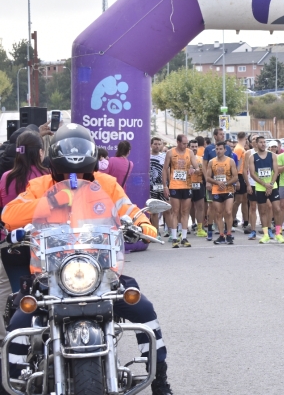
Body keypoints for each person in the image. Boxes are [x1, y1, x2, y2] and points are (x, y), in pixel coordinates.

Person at [1, 124, 173, 395]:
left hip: (100, 273)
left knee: (143, 308)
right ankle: (13, 384)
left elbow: (127, 208)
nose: (75, 177)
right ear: (55, 165)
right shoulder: (39, 186)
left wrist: (142, 223)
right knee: (19, 323)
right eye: (69, 172)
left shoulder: (106, 184)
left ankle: (161, 380)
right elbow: (10, 215)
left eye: (81, 173)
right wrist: (52, 200)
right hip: (50, 275)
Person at [0, 131, 49, 339]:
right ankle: (42, 337)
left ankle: (14, 337)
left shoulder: (6, 178)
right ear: (40, 152)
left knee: (17, 296)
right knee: (44, 295)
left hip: (13, 244)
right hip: (42, 244)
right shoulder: (46, 178)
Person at [162, 134, 201, 248]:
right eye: (183, 143)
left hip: (187, 186)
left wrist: (194, 170)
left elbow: (198, 168)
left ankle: (184, 238)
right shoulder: (170, 152)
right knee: (175, 212)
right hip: (174, 185)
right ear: (178, 142)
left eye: (186, 144)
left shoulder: (190, 152)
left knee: (185, 212)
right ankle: (174, 238)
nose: (185, 145)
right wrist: (165, 186)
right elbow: (165, 169)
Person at [249, 136, 284, 244]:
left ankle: (278, 233)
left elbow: (276, 171)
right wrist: (264, 184)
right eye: (261, 142)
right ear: (256, 144)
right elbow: (252, 174)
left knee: (277, 209)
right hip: (260, 187)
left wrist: (271, 184)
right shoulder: (252, 157)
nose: (263, 144)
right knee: (262, 211)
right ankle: (265, 235)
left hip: (272, 186)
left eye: (264, 142)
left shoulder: (272, 155)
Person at [207, 141, 239, 245]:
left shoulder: (230, 161)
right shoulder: (211, 162)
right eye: (217, 149)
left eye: (220, 149)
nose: (218, 151)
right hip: (216, 190)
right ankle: (221, 235)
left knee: (228, 211)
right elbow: (207, 177)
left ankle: (229, 234)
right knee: (218, 212)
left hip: (228, 189)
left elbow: (235, 177)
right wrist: (217, 182)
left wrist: (226, 183)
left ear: (225, 150)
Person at [188, 140, 208, 239]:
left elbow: (205, 173)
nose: (194, 148)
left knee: (200, 207)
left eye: (196, 146)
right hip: (186, 185)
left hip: (199, 185)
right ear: (189, 147)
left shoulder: (201, 159)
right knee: (185, 208)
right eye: (192, 146)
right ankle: (183, 228)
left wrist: (207, 182)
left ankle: (200, 228)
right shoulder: (185, 158)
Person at [149, 137, 167, 235]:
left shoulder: (164, 156)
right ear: (151, 145)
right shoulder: (147, 157)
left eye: (159, 144)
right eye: (155, 144)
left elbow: (167, 171)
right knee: (154, 210)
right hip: (151, 188)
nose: (157, 146)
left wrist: (167, 185)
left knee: (167, 209)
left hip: (162, 186)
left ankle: (170, 232)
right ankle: (156, 232)